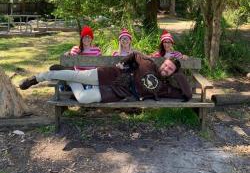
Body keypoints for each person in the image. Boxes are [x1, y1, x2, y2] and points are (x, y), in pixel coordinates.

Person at [19, 52, 192, 103]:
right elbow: (134, 54)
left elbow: (187, 95)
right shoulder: (148, 63)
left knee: (83, 98)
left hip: (117, 92)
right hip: (110, 75)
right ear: (163, 63)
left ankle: (71, 79)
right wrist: (122, 63)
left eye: (171, 69)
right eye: (167, 65)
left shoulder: (164, 88)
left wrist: (179, 73)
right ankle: (37, 78)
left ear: (172, 72)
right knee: (77, 74)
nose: (167, 68)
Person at [63, 25, 101, 90]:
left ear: (91, 38)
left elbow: (100, 65)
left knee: (88, 87)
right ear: (82, 38)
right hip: (78, 75)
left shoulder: (96, 50)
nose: (87, 39)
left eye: (89, 37)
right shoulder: (76, 49)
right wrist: (67, 55)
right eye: (85, 37)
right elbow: (70, 59)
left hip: (90, 75)